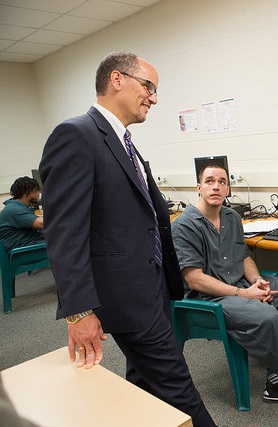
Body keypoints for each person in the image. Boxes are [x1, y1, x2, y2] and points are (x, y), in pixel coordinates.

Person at [38, 52, 217, 427]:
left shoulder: (123, 142)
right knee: (178, 387)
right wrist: (79, 310)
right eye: (148, 87)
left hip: (152, 286)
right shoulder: (76, 135)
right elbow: (64, 232)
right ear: (117, 79)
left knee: (144, 383)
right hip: (124, 295)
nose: (154, 98)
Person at [171, 161, 278, 403]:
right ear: (198, 188)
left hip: (242, 285)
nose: (216, 187)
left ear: (228, 189)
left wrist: (258, 281)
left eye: (222, 182)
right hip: (209, 297)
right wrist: (244, 294)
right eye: (210, 181)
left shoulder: (231, 217)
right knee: (268, 316)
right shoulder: (184, 225)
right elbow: (195, 279)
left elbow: (243, 257)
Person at [0, 177, 44, 254]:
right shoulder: (14, 209)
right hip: (22, 251)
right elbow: (41, 223)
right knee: (61, 243)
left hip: (27, 244)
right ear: (29, 191)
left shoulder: (16, 206)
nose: (38, 194)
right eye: (37, 190)